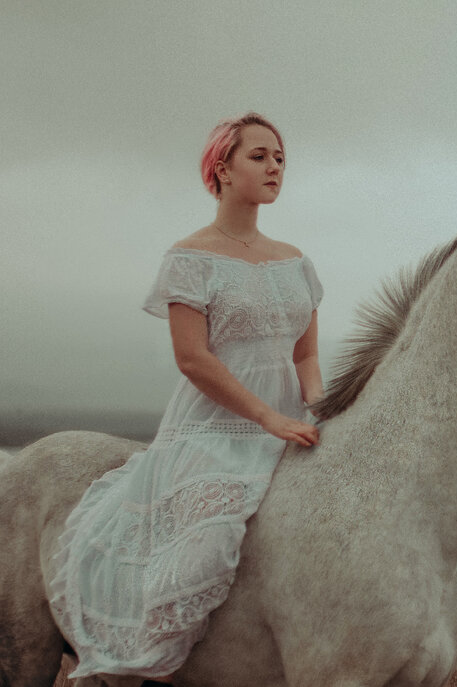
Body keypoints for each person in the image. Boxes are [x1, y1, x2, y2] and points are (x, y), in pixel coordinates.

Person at [47, 113, 324, 683]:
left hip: (290, 425)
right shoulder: (190, 258)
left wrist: (317, 404)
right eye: (259, 156)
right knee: (206, 543)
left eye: (280, 158)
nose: (275, 166)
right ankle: (147, 665)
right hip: (212, 431)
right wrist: (268, 417)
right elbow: (193, 359)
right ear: (221, 168)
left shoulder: (296, 260)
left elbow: (304, 356)